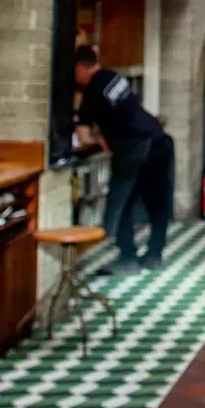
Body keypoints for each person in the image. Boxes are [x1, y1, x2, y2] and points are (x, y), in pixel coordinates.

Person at [74, 45, 175, 276]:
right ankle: (154, 256)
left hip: (135, 148)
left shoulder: (91, 91)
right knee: (157, 202)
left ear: (80, 69)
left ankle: (128, 258)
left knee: (119, 203)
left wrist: (101, 139)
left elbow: (83, 135)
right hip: (160, 139)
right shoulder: (114, 76)